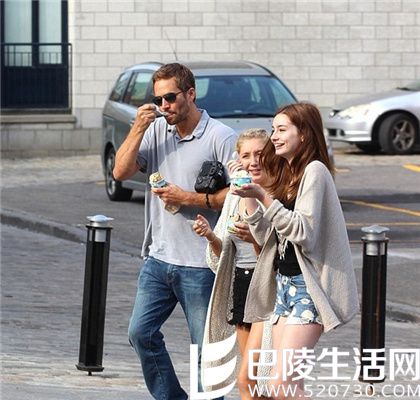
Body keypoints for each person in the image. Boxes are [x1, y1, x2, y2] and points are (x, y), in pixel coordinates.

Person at [113, 63, 237, 400]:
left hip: (202, 263)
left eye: (170, 97)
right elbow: (120, 172)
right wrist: (138, 128)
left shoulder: (220, 136)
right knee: (140, 333)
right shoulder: (156, 131)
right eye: (158, 100)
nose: (164, 105)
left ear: (190, 94)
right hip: (158, 258)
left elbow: (240, 192)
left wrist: (189, 198)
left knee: (205, 351)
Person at [232, 102, 359, 399]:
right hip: (284, 287)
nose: (274, 137)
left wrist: (263, 196)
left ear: (303, 134)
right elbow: (265, 237)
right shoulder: (287, 174)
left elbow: (303, 232)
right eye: (273, 129)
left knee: (282, 384)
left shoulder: (315, 171)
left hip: (307, 289)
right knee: (281, 386)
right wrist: (249, 192)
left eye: (281, 129)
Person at [192, 128, 272, 399]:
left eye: (260, 154)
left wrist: (255, 238)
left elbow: (279, 255)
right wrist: (210, 236)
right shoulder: (235, 196)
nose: (253, 161)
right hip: (241, 286)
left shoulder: (275, 194)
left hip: (268, 291)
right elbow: (223, 256)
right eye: (246, 155)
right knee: (252, 381)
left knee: (252, 378)